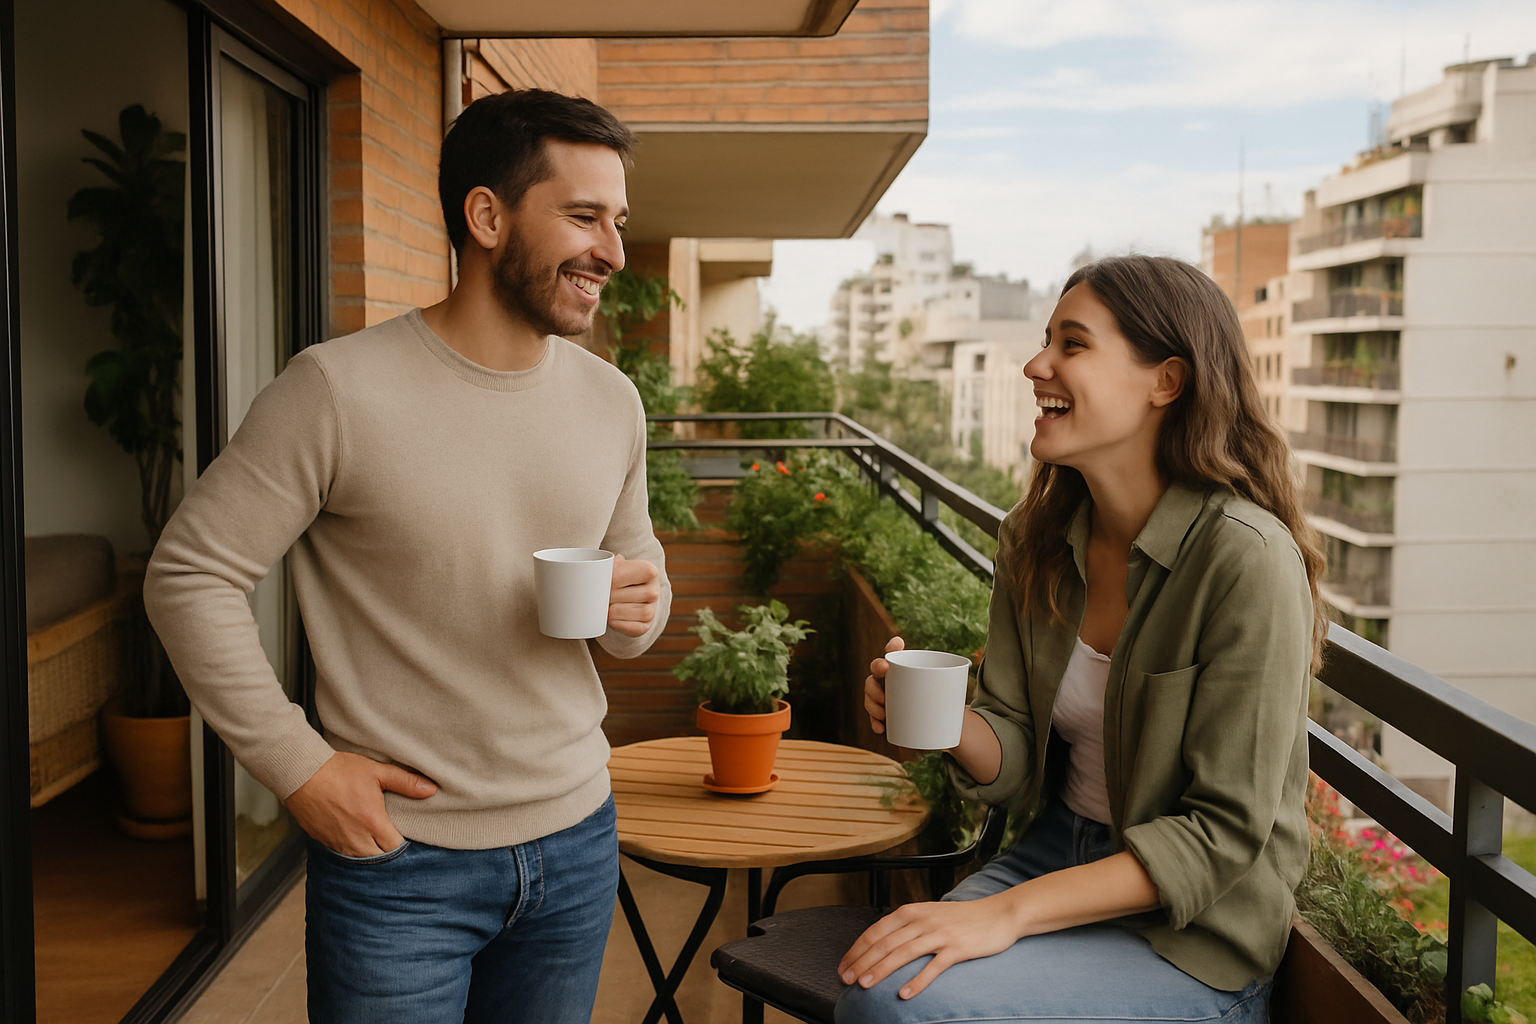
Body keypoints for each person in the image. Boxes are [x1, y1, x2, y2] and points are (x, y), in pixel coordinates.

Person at [144, 89, 669, 1024]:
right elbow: (191, 574)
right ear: (486, 215)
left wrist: (640, 608)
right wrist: (299, 767)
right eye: (584, 217)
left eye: (618, 222)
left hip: (579, 839)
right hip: (399, 865)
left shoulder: (611, 403)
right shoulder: (336, 391)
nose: (614, 253)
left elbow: (635, 594)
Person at [841, 254, 1326, 1024]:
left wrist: (1005, 914)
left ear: (1165, 381)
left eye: (1072, 344)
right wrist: (947, 725)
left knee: (897, 1010)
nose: (1037, 365)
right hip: (1056, 851)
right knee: (876, 989)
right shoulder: (1033, 538)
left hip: (1190, 927)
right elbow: (1019, 748)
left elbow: (1222, 832)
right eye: (1046, 341)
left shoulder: (1245, 558)